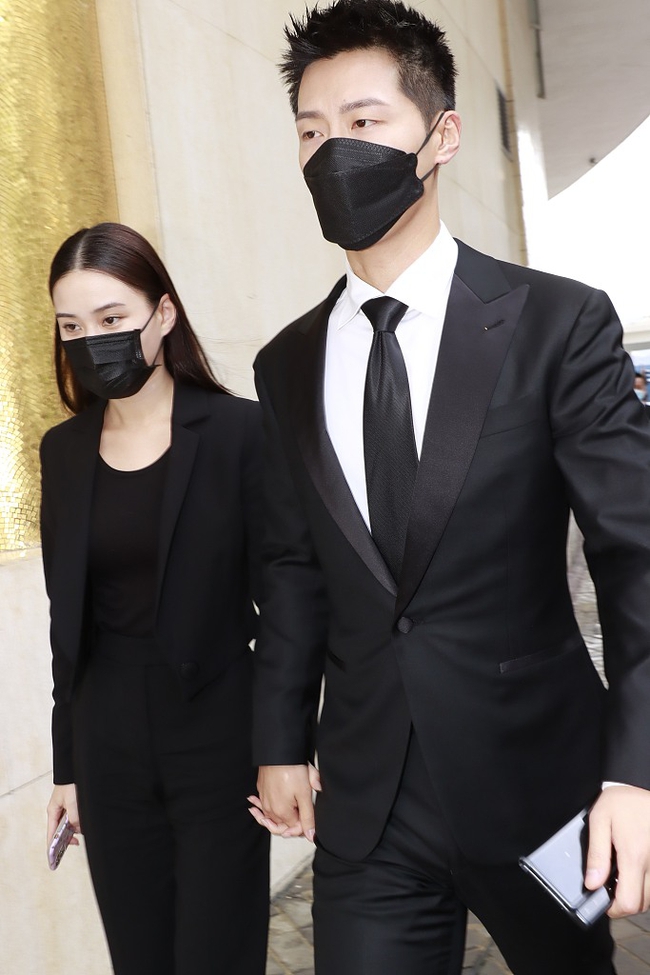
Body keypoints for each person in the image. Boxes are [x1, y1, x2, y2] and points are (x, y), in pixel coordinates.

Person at [248, 3, 650, 974]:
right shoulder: (285, 363)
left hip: (541, 792)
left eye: (363, 121)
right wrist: (280, 739)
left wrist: (635, 772)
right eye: (311, 131)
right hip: (369, 806)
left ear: (442, 135)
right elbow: (295, 567)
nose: (333, 152)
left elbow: (636, 556)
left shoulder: (555, 324)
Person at [42, 222, 269, 975]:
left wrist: (287, 749)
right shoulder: (63, 452)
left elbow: (288, 600)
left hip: (218, 736)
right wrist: (67, 766)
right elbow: (67, 624)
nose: (91, 340)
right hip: (107, 742)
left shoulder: (239, 431)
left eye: (111, 318)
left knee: (217, 954)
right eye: (71, 327)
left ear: (163, 313)